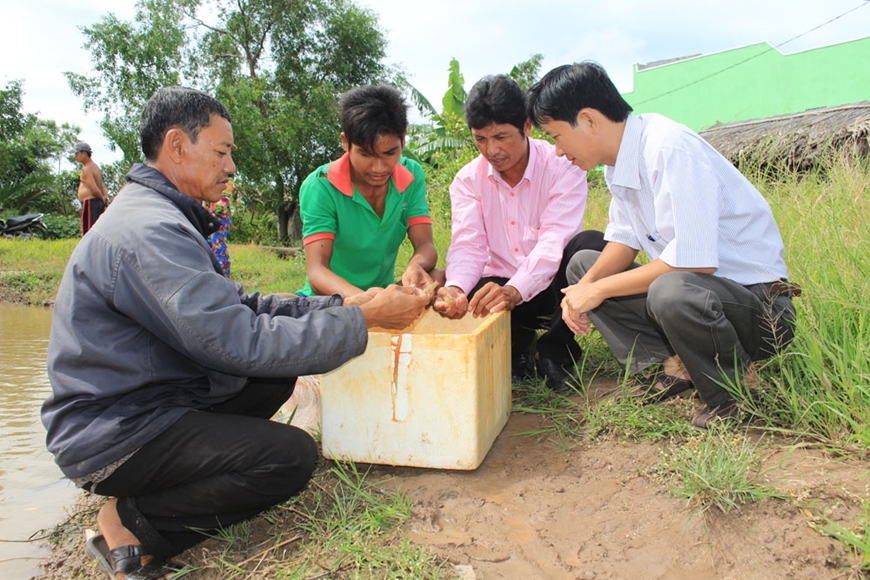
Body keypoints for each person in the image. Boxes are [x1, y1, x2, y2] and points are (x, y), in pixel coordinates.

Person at [41, 87, 430, 580]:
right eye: (222, 153)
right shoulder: (149, 231)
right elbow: (238, 341)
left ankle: (149, 492)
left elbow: (241, 305)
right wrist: (366, 319)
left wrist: (345, 303)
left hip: (153, 399)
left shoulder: (164, 216)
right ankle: (131, 521)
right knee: (289, 458)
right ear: (178, 146)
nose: (230, 168)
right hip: (117, 430)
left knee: (274, 379)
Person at [526, 62, 798, 428]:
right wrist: (582, 290)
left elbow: (693, 261)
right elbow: (624, 241)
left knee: (670, 289)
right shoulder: (617, 164)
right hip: (704, 299)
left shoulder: (669, 148)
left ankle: (732, 396)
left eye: (556, 136)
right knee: (582, 269)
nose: (557, 151)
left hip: (760, 311)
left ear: (589, 120)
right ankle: (677, 369)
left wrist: (598, 290)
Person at [433, 75, 606, 393]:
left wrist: (516, 289)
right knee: (477, 287)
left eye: (501, 137)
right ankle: (518, 350)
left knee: (591, 247)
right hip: (502, 293)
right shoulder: (467, 180)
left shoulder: (562, 166)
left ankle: (557, 354)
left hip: (556, 290)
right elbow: (468, 244)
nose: (492, 150)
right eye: (480, 139)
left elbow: (555, 239)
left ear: (526, 126)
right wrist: (455, 289)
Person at [298, 84, 438, 297]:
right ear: (346, 142)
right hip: (330, 303)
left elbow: (425, 244)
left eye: (390, 153)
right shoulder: (320, 187)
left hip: (381, 295)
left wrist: (415, 266)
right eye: (366, 155)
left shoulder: (411, 175)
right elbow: (318, 272)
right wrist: (370, 304)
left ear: (403, 139)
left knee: (440, 277)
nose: (379, 168)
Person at [74, 140, 110, 236]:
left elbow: (94, 189)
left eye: (77, 153)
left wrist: (102, 198)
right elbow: (101, 186)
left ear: (84, 153)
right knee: (96, 230)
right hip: (96, 203)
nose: (75, 156)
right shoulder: (95, 167)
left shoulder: (87, 168)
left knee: (89, 232)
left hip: (91, 203)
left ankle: (90, 250)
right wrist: (105, 199)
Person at [207, 188, 232, 276]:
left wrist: (216, 214)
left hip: (218, 220)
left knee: (218, 248)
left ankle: (223, 275)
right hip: (212, 218)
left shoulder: (225, 180)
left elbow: (224, 199)